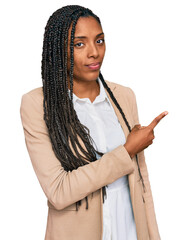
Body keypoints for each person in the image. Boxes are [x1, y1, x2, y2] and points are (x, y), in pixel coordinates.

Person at [20, 5, 168, 240]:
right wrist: (128, 150)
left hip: (129, 229)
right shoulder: (38, 104)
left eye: (99, 41)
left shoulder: (124, 96)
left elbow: (142, 182)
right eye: (79, 44)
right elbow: (59, 191)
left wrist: (152, 234)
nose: (94, 52)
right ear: (58, 50)